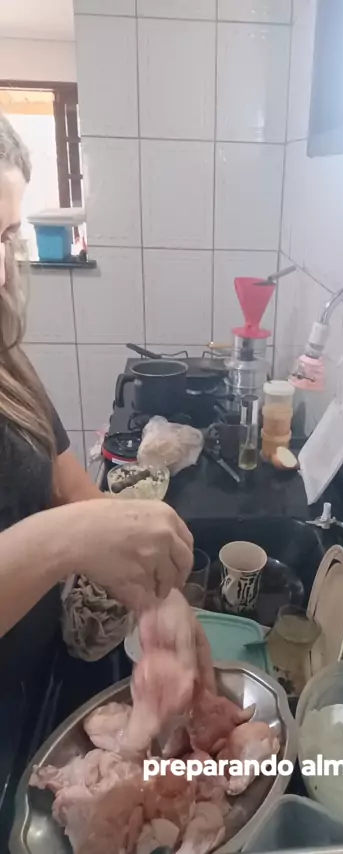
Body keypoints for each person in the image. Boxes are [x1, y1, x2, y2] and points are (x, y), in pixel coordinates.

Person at [0, 113, 194, 662]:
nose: (2, 275)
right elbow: (75, 521)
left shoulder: (7, 363)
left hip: (34, 673)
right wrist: (73, 536)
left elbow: (66, 485)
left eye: (7, 237)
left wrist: (156, 597)